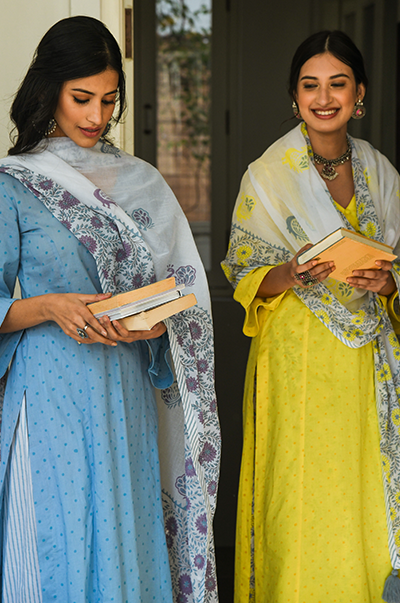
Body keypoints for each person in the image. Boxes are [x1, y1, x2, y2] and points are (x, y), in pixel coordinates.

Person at [0, 16, 220, 603]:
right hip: (51, 393)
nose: (96, 115)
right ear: (50, 89)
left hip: (126, 388)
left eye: (108, 99)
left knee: (127, 539)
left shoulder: (140, 183)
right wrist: (48, 306)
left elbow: (179, 292)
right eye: (82, 98)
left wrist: (155, 318)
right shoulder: (15, 183)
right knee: (61, 537)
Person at [222, 30, 400, 603]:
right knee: (300, 501)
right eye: (310, 85)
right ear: (294, 95)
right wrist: (291, 271)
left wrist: (387, 282)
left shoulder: (382, 172)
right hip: (297, 362)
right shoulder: (268, 176)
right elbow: (242, 270)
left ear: (359, 93)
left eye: (337, 84)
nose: (324, 98)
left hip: (368, 368)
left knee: (362, 499)